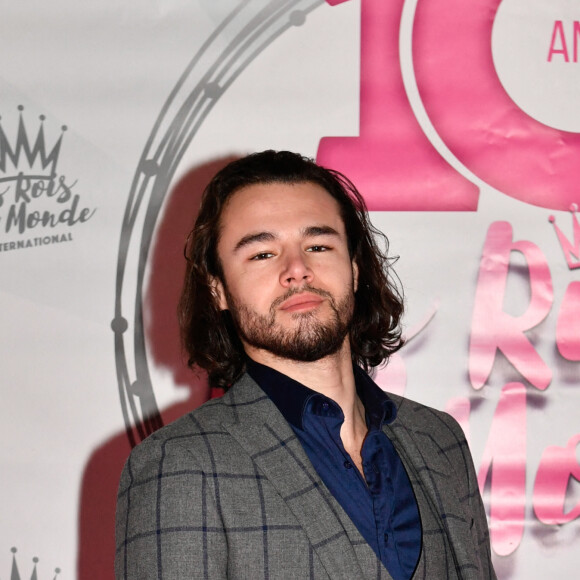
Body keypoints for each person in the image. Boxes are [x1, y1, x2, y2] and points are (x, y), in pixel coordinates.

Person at [115, 150, 496, 579]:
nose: (298, 270)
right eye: (262, 254)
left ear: (353, 268)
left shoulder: (438, 439)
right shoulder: (178, 466)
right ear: (218, 288)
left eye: (318, 245)